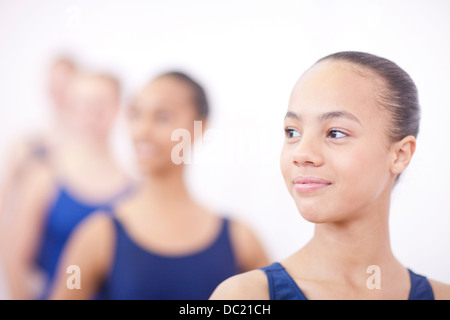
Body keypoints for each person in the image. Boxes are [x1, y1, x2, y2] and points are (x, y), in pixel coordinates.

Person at [210, 51, 450, 300]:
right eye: (292, 132)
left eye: (335, 133)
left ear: (400, 155)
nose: (301, 153)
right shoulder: (244, 296)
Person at [49, 71, 269, 300]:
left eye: (163, 117)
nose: (142, 130)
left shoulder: (239, 240)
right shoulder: (98, 235)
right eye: (136, 114)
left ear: (200, 127)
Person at [3, 70, 132, 299]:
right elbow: (15, 260)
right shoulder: (44, 176)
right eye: (83, 105)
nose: (91, 115)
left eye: (100, 105)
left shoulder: (134, 188)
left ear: (117, 108)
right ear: (70, 108)